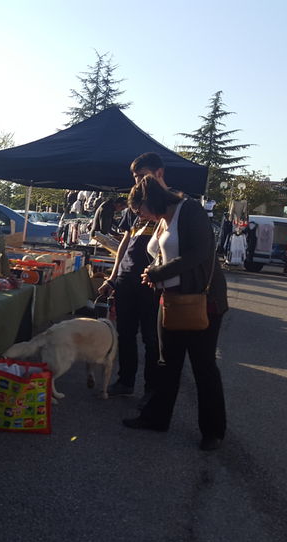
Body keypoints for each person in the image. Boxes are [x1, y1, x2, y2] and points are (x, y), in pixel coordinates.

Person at [122, 174, 229, 452]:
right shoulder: (160, 220)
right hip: (169, 299)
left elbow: (200, 253)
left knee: (203, 366)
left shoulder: (190, 210)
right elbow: (162, 254)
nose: (139, 215)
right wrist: (154, 273)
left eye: (138, 209)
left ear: (150, 200)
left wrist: (159, 272)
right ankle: (156, 418)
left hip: (201, 301)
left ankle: (213, 431)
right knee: (165, 363)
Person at [96, 153, 165, 400]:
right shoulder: (133, 205)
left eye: (141, 176)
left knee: (151, 339)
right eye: (135, 177)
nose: (137, 181)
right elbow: (125, 241)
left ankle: (151, 390)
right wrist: (113, 278)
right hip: (125, 280)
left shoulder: (169, 203)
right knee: (124, 334)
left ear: (158, 173)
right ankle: (125, 381)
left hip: (152, 283)